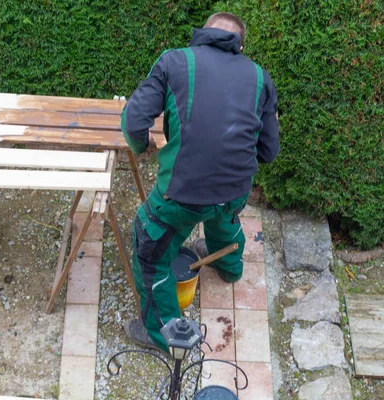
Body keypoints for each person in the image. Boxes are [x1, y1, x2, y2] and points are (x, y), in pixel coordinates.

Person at [120, 12, 280, 353]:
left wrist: (143, 145)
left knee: (150, 249)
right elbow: (269, 151)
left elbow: (134, 122)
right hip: (235, 190)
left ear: (204, 33)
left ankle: (161, 334)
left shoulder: (174, 62)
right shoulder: (260, 77)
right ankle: (229, 267)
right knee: (224, 215)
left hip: (182, 195)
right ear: (240, 44)